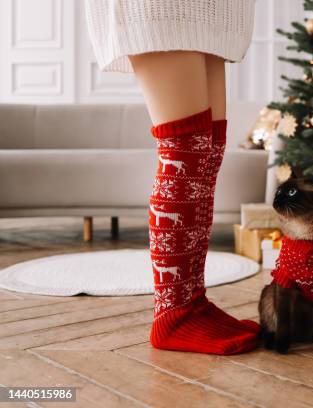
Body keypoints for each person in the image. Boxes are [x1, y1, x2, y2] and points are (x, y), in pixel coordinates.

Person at [85, 0, 259, 355]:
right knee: (186, 149)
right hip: (164, 7)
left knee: (207, 152)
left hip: (206, 9)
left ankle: (192, 301)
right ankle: (173, 311)